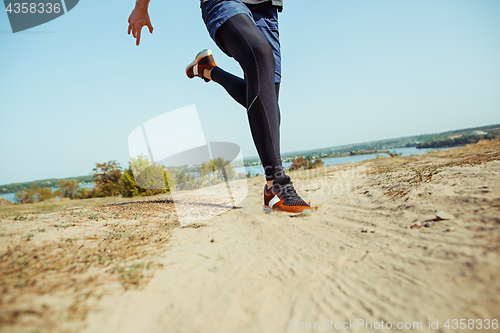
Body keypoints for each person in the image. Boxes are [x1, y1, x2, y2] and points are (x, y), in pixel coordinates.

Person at [128, 0, 312, 216]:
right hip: (225, 2)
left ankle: (208, 69)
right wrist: (141, 7)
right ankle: (277, 185)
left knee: (267, 100)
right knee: (261, 54)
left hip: (266, 8)